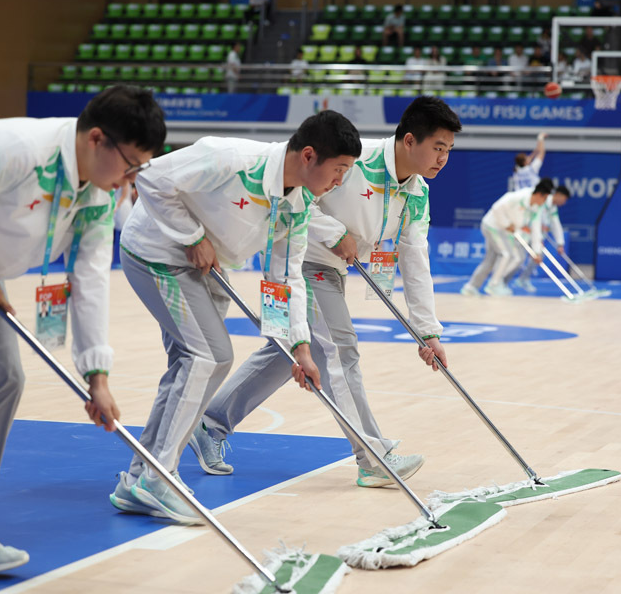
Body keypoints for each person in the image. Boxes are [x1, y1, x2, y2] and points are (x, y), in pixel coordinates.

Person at [189, 97, 462, 488]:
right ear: (408, 141)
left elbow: (415, 259)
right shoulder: (354, 159)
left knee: (290, 353)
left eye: (449, 151)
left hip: (332, 271)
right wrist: (335, 233)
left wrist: (428, 331)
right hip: (296, 260)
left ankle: (210, 425)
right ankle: (373, 457)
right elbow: (295, 196)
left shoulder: (417, 193)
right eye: (438, 148)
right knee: (338, 347)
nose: (443, 159)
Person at [112, 111, 361, 523]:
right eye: (338, 170)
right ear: (309, 155)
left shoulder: (297, 205)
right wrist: (191, 237)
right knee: (209, 356)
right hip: (155, 252)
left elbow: (284, 279)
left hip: (202, 269)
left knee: (189, 366)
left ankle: (139, 479)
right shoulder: (228, 158)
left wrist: (299, 347)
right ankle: (158, 480)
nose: (339, 181)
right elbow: (151, 178)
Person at [0, 85, 164, 572]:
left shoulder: (99, 195)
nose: (129, 181)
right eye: (129, 165)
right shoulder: (12, 148)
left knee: (3, 377)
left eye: (138, 170)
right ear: (97, 139)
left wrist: (97, 377)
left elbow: (89, 281)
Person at [461, 179, 552, 297]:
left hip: (503, 231)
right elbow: (496, 208)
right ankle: (494, 285)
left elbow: (535, 230)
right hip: (492, 226)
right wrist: (507, 224)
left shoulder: (537, 208)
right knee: (507, 254)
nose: (544, 203)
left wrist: (537, 252)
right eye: (544, 199)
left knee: (490, 260)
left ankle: (471, 287)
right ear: (540, 194)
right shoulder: (517, 197)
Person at [511, 184, 570, 293]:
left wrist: (560, 243)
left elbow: (556, 225)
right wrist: (538, 237)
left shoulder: (553, 208)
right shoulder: (542, 200)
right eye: (564, 199)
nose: (564, 203)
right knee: (518, 259)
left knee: (536, 256)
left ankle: (522, 279)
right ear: (559, 195)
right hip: (525, 232)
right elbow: (532, 217)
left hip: (535, 235)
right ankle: (503, 281)